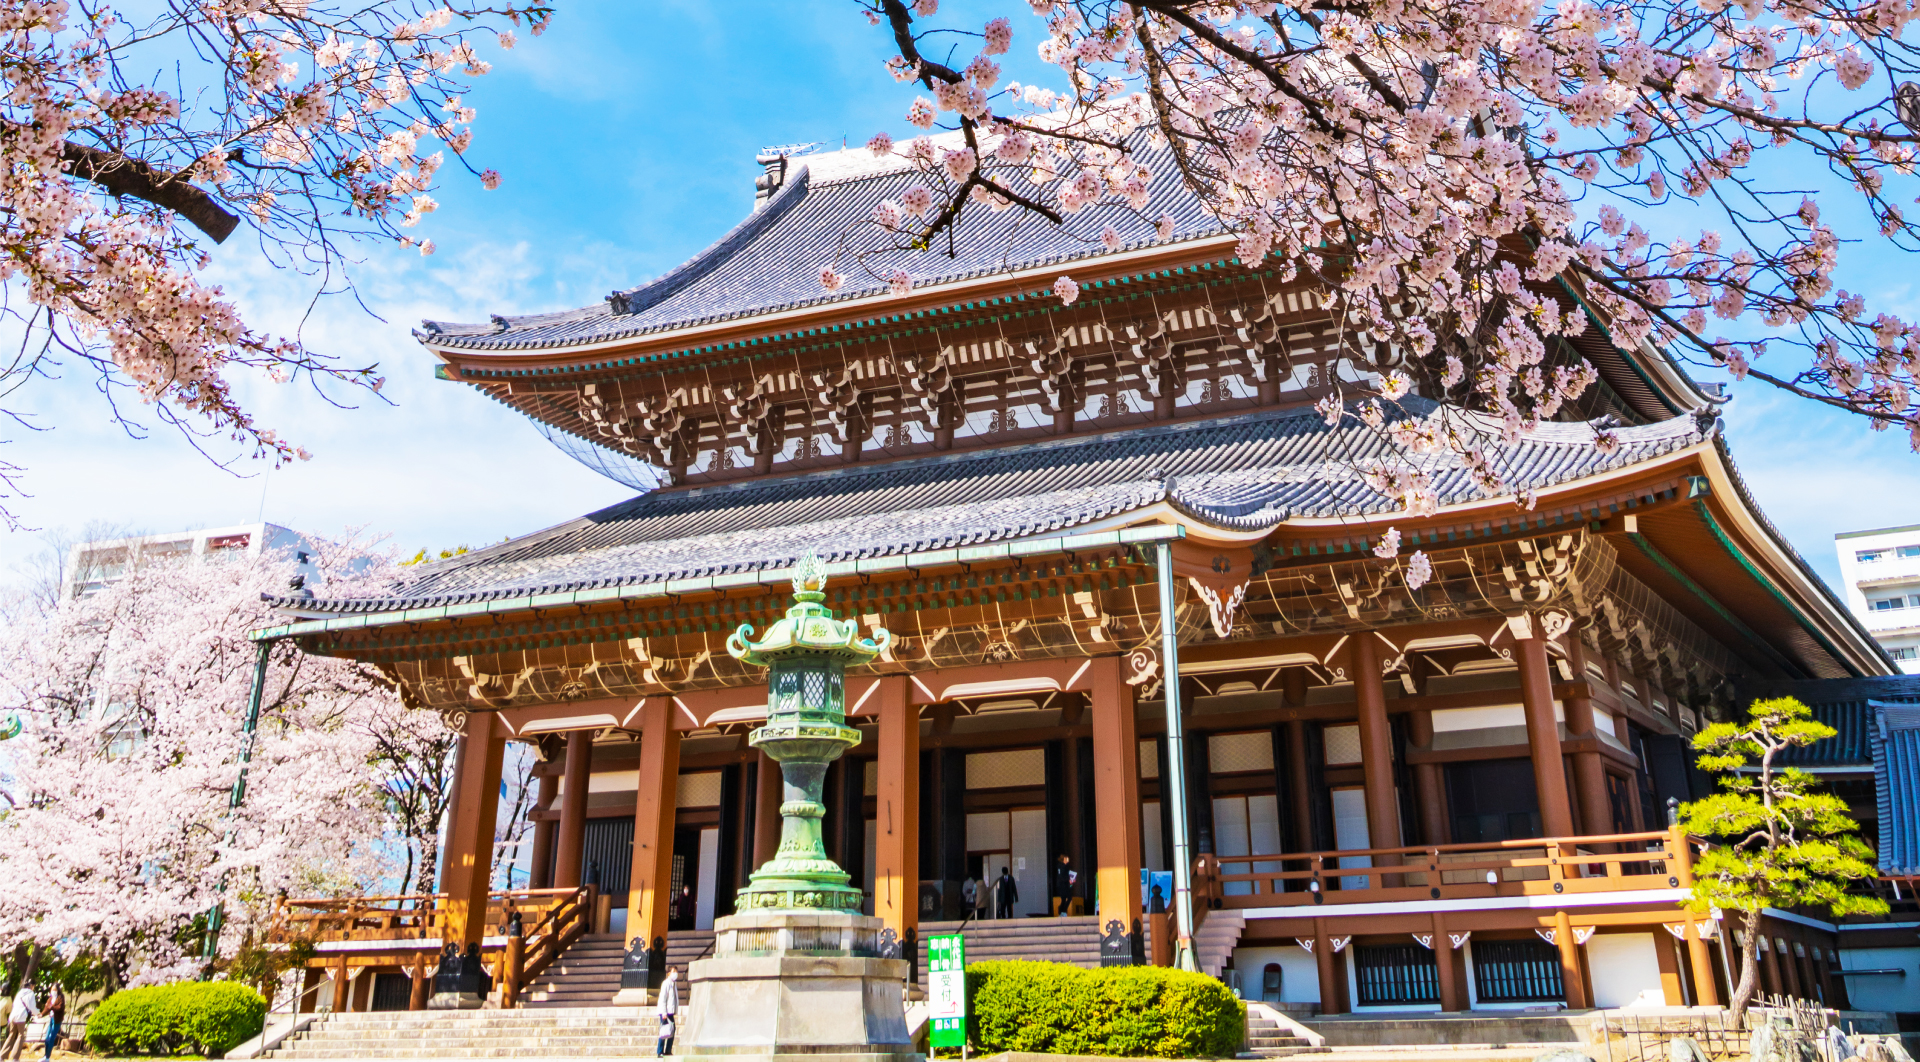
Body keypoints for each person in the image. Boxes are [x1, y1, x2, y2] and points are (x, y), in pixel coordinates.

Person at [3, 981, 36, 1062]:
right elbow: (32, 1007)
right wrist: (37, 1013)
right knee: (20, 1035)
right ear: (31, 986)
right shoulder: (30, 993)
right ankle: (15, 1057)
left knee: (11, 1035)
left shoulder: (19, 993)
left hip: (12, 1016)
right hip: (21, 1017)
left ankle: (2, 1056)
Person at [654, 968, 679, 1056]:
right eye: (673, 972)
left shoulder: (674, 984)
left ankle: (668, 1050)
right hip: (665, 1012)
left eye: (676, 972)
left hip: (671, 1011)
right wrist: (664, 1012)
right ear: (668, 973)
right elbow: (663, 999)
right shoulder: (666, 983)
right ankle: (660, 1051)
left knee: (671, 1030)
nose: (675, 973)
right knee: (664, 1031)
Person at [37, 985, 61, 1062]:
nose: (52, 991)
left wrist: (51, 1007)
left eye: (54, 990)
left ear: (58, 990)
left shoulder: (60, 998)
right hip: (51, 1019)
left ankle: (47, 1057)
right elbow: (47, 1008)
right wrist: (41, 1014)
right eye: (51, 989)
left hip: (57, 1020)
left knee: (51, 1038)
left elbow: (59, 1008)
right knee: (47, 1038)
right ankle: (45, 1056)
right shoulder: (50, 999)